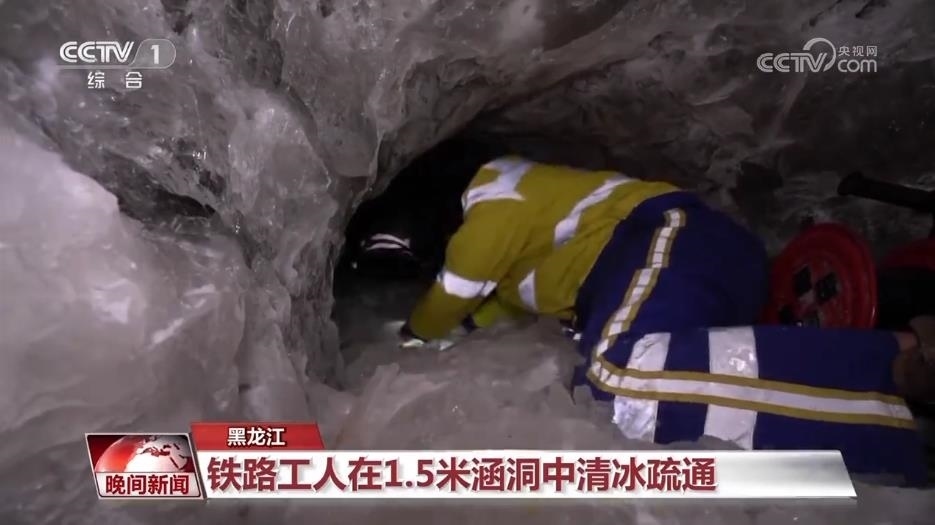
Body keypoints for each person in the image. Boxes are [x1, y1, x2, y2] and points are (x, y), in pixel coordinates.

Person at [399, 155, 935, 485]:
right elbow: (492, 305)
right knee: (605, 398)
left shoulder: (494, 191)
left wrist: (413, 334)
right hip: (694, 275)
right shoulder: (523, 255)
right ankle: (887, 450)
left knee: (618, 382)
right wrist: (460, 335)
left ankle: (903, 375)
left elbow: (459, 284)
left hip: (669, 238)